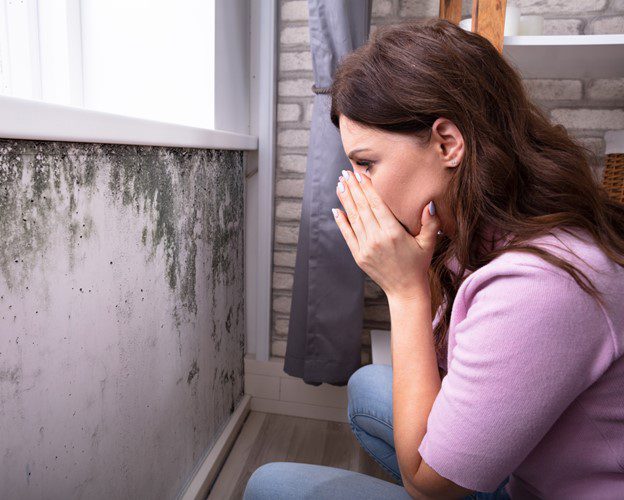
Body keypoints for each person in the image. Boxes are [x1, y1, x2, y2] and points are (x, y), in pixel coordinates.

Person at [243, 18, 624, 499]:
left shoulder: (542, 284)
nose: (357, 185)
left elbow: (428, 484)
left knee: (271, 486)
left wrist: (405, 291)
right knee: (367, 385)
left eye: (367, 163)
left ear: (448, 143)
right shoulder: (488, 223)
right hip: (534, 465)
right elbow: (452, 366)